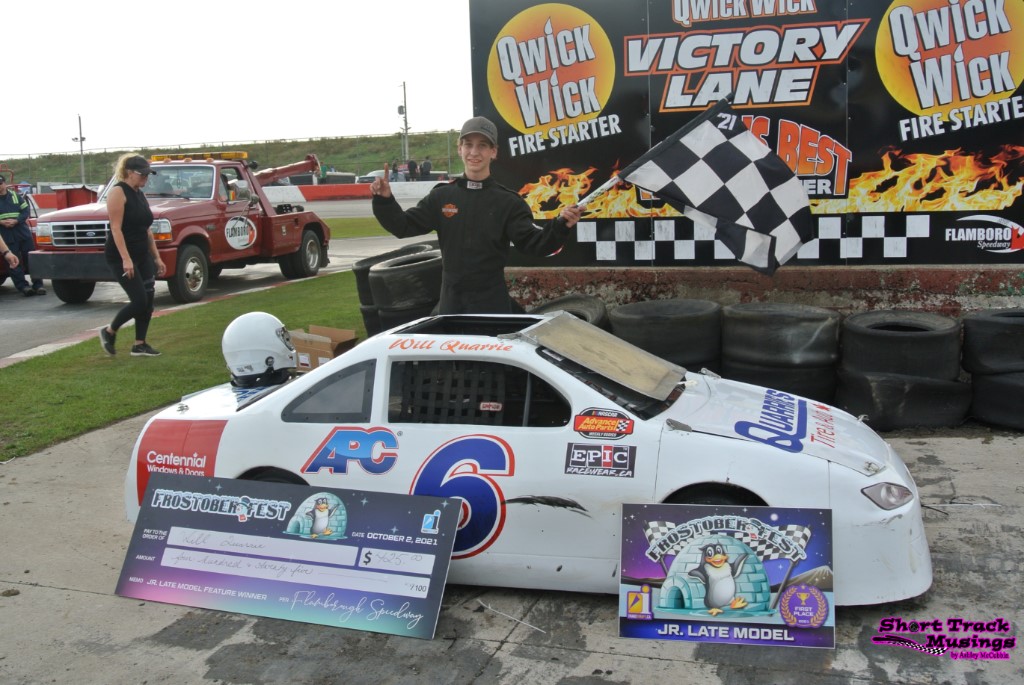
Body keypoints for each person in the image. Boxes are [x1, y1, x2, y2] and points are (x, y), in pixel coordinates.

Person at [371, 116, 582, 314]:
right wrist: (384, 200)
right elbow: (402, 226)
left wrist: (561, 225)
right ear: (460, 149)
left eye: (482, 145)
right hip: (451, 307)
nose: (474, 152)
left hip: (493, 307)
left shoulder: (508, 202)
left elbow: (536, 244)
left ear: (493, 152)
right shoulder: (441, 197)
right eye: (468, 144)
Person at [98, 154, 166, 357]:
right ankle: (109, 331)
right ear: (129, 172)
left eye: (147, 174)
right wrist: (126, 259)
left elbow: (147, 229)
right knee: (139, 301)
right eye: (142, 174)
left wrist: (157, 257)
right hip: (121, 255)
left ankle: (139, 344)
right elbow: (116, 228)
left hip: (142, 253)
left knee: (149, 299)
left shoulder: (140, 194)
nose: (145, 178)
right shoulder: (118, 192)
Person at [0, 175, 45, 296]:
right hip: (5, 234)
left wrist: (16, 220)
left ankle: (38, 285)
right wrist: (1, 222)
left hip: (22, 232)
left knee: (31, 259)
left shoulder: (15, 196)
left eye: (0, 183)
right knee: (13, 261)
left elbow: (25, 211)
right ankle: (23, 287)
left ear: (4, 183)